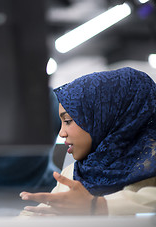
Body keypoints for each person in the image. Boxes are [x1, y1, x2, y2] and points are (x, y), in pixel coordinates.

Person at [20, 67, 156, 216]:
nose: (61, 133)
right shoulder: (74, 172)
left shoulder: (149, 169)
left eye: (68, 121)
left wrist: (97, 206)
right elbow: (41, 212)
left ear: (104, 118)